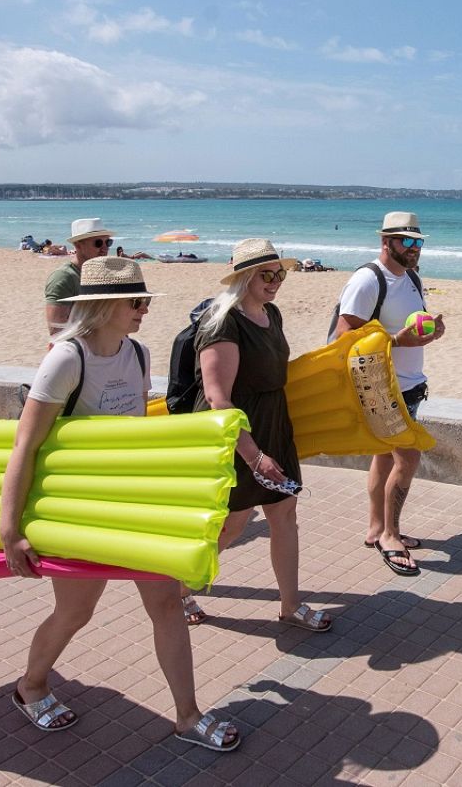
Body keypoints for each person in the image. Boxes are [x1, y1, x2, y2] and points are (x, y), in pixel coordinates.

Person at [1, 256, 239, 751]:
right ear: (105, 305)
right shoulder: (68, 358)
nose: (144, 309)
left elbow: (134, 431)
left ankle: (187, 716)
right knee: (75, 612)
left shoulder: (138, 353)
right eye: (136, 302)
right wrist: (10, 528)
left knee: (167, 605)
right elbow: (26, 444)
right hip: (78, 511)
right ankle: (31, 686)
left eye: (146, 301)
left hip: (130, 505)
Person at [181, 239, 331, 633]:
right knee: (231, 524)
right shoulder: (223, 321)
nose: (276, 280)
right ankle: (177, 588)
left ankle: (290, 606)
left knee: (284, 513)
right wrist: (253, 455)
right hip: (237, 436)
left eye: (280, 273)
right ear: (244, 277)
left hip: (273, 425)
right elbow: (218, 399)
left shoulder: (271, 313)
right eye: (267, 274)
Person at [331, 212, 445, 576]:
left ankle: (376, 529)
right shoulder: (367, 280)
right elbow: (342, 341)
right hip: (381, 389)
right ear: (386, 242)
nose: (414, 249)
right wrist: (397, 341)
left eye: (418, 242)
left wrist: (430, 333)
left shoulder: (411, 277)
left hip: (409, 386)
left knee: (384, 457)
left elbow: (409, 325)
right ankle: (391, 537)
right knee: (408, 458)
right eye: (406, 242)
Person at [43, 218, 114, 338]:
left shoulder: (103, 274)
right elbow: (57, 331)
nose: (105, 248)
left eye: (108, 242)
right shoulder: (63, 278)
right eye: (98, 243)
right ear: (78, 245)